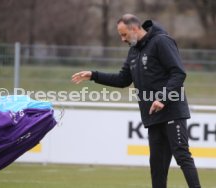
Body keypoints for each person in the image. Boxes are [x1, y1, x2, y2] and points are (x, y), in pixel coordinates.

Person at [71, 14, 201, 188]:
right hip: (152, 116)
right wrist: (94, 75)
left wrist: (162, 98)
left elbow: (178, 73)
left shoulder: (161, 41)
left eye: (124, 34)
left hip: (172, 111)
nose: (122, 39)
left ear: (134, 29)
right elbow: (122, 80)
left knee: (182, 156)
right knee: (157, 167)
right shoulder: (133, 51)